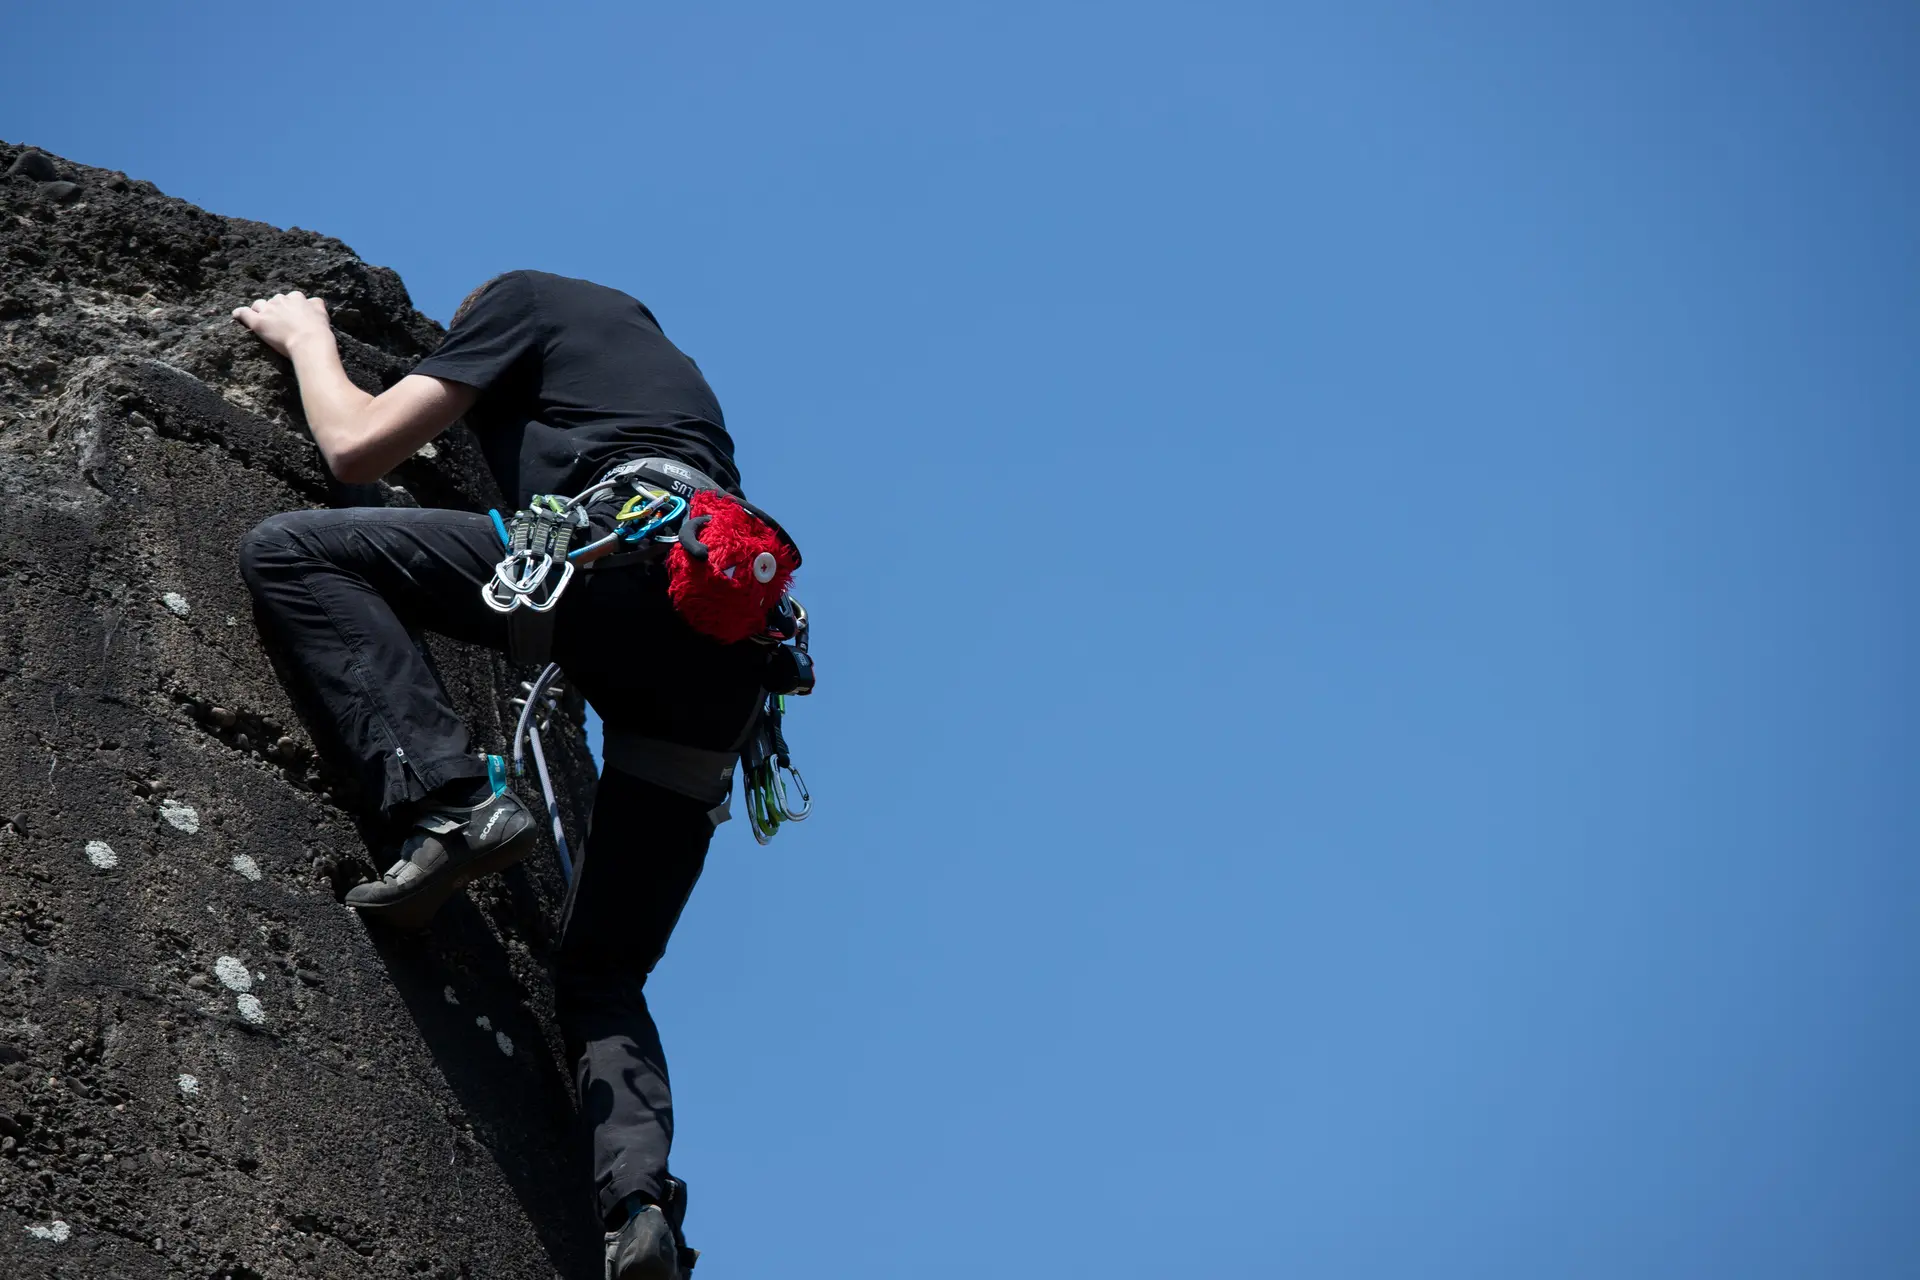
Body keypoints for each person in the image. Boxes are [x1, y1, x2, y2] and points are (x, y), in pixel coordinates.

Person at [233, 270, 786, 1279]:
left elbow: (357, 446)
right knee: (604, 972)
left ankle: (450, 802)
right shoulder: (661, 375)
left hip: (613, 565)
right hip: (720, 657)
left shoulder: (520, 297)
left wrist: (309, 338)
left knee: (293, 552)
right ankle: (639, 1205)